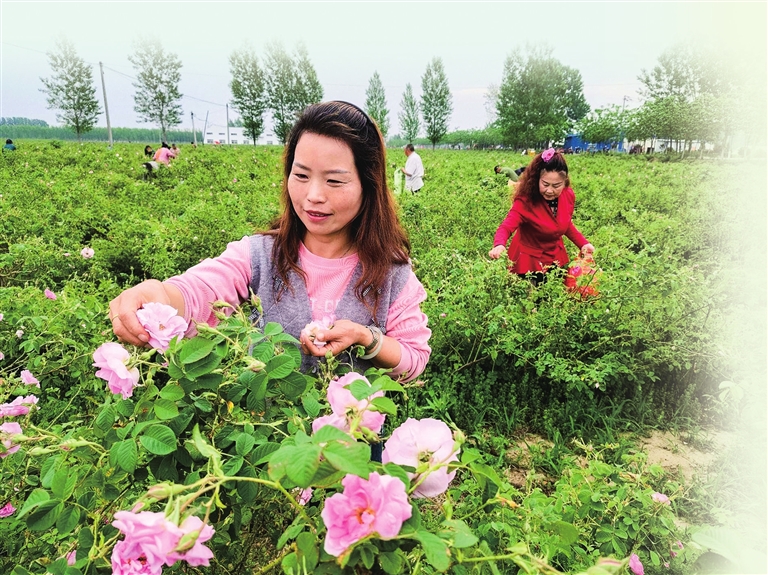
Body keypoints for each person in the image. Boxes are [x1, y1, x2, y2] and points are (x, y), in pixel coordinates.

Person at [109, 101, 431, 384]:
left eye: (334, 180)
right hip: (269, 449)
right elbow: (201, 289)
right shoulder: (260, 255)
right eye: (301, 175)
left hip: (351, 449)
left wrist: (365, 337)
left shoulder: (390, 271)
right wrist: (160, 296)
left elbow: (412, 361)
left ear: (368, 184)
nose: (313, 196)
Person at [488, 148, 594, 286]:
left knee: (555, 298)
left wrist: (583, 244)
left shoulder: (568, 195)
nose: (550, 190)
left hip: (555, 258)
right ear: (536, 180)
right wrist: (499, 245)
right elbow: (506, 227)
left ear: (565, 182)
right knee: (531, 301)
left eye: (556, 185)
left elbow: (565, 224)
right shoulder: (525, 201)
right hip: (528, 262)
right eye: (545, 184)